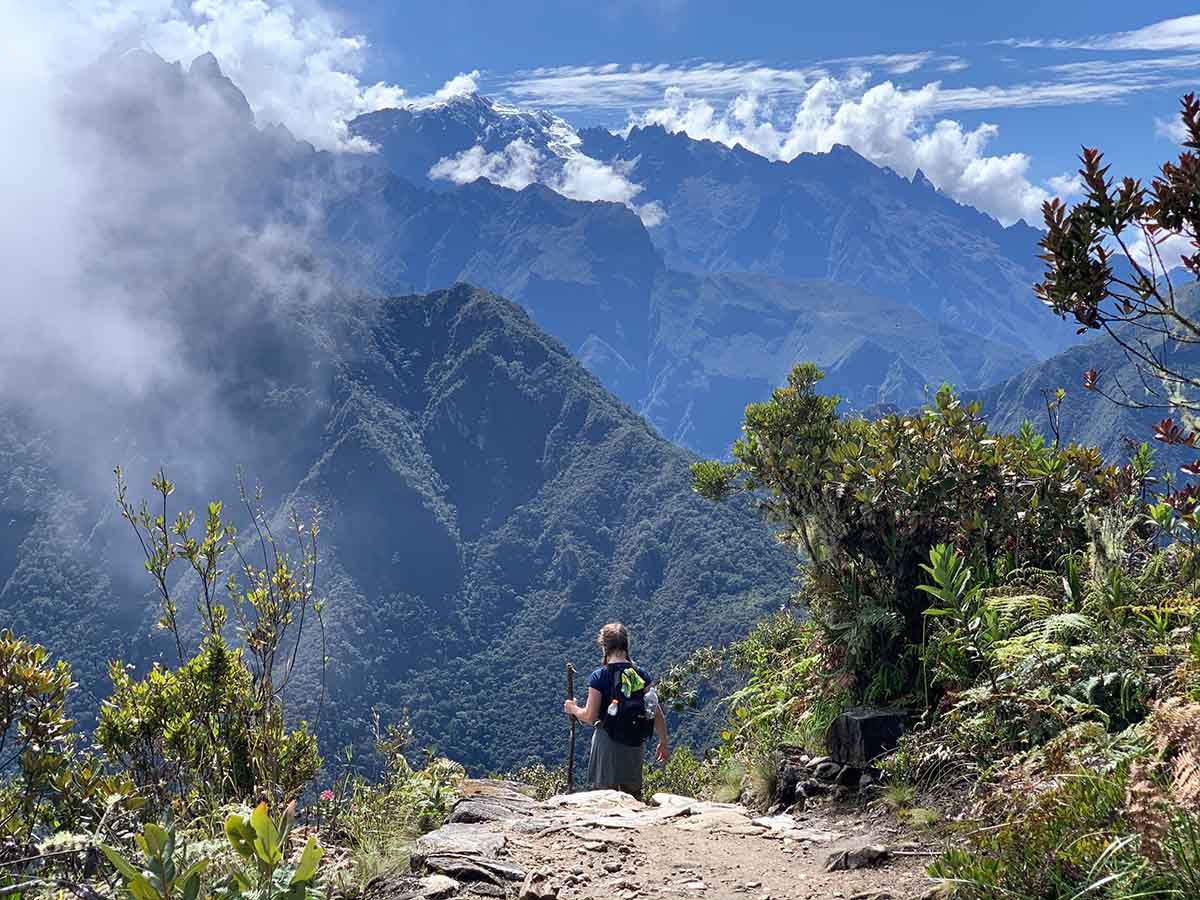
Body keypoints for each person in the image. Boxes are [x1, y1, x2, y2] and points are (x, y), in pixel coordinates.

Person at [563, 622, 669, 799]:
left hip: (607, 745)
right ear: (626, 645)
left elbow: (589, 716)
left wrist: (573, 708)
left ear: (604, 647)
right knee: (634, 798)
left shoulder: (599, 676)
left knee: (605, 798)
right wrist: (663, 741)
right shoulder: (641, 675)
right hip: (634, 745)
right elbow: (656, 712)